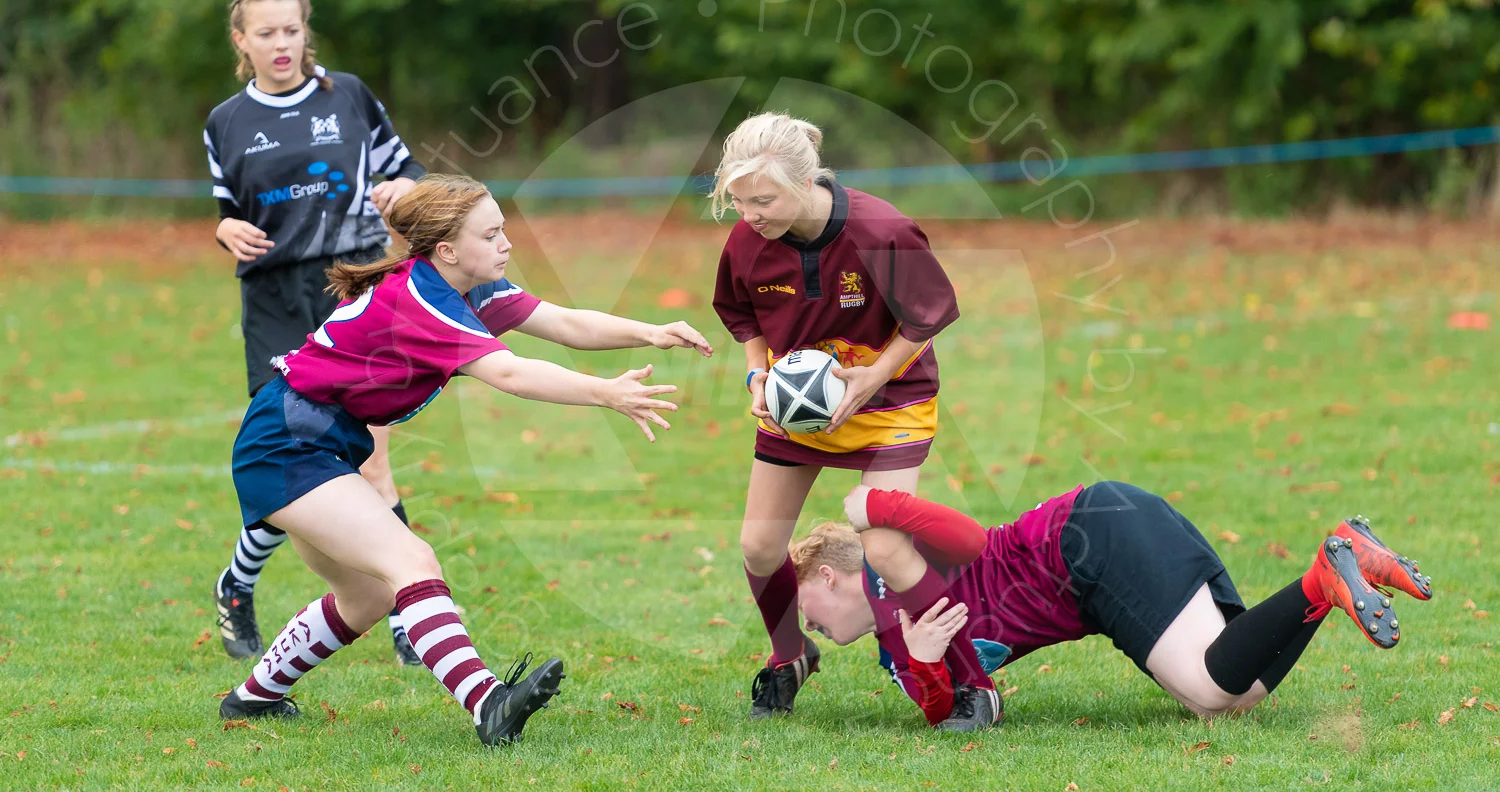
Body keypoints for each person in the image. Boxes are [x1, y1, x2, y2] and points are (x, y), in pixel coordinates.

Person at [217, 174, 713, 746]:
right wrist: (606, 393)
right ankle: (488, 704)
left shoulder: (469, 285)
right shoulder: (423, 297)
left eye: (504, 229)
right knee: (413, 560)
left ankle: (251, 699)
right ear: (448, 250)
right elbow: (506, 372)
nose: (507, 243)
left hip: (313, 441)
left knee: (370, 594)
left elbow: (566, 324)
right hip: (286, 443)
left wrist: (652, 331)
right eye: (492, 233)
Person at [709, 111, 996, 719]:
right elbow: (744, 317)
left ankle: (974, 684)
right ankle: (789, 656)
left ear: (805, 180)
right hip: (799, 407)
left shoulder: (881, 230)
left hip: (892, 401)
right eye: (737, 202)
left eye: (762, 199)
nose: (750, 214)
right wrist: (759, 373)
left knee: (888, 550)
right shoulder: (746, 242)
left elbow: (929, 315)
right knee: (759, 547)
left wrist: (872, 376)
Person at [790, 482, 1433, 730]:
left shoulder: (891, 557)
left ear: (826, 573)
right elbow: (962, 710)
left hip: (1086, 540)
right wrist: (929, 663)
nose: (808, 624)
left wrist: (878, 508)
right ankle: (1333, 570)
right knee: (1236, 697)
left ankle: (1327, 574)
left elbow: (970, 539)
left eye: (805, 605)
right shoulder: (895, 655)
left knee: (1209, 693)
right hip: (1107, 543)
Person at [204, 0, 426, 663]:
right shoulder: (224, 121)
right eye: (265, 33)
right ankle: (237, 585)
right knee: (288, 456)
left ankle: (406, 619)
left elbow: (409, 174)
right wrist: (227, 232)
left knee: (372, 454)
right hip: (275, 297)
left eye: (291, 30)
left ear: (307, 32)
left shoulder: (350, 97)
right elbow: (227, 214)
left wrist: (403, 190)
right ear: (241, 41)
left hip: (353, 286)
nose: (281, 44)